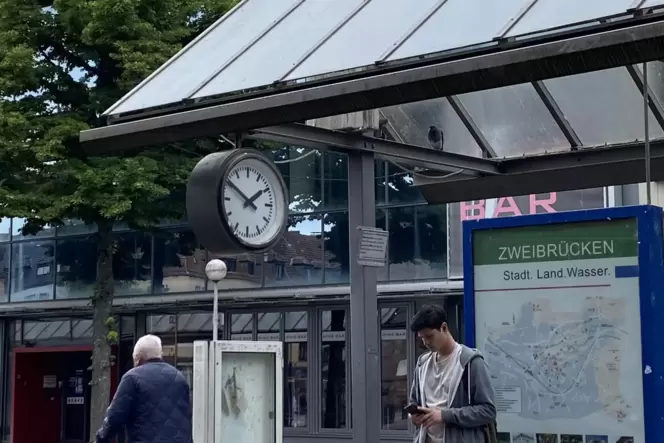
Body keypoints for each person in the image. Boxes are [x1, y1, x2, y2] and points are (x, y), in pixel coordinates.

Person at [408, 305, 496, 443]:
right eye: (422, 338)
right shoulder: (422, 363)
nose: (426, 343)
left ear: (444, 328)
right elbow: (414, 401)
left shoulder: (470, 362)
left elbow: (488, 410)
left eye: (429, 336)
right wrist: (413, 416)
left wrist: (444, 416)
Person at [95, 334, 192, 443]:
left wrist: (100, 438)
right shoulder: (179, 377)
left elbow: (114, 417)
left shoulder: (132, 377)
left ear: (137, 358)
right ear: (160, 355)